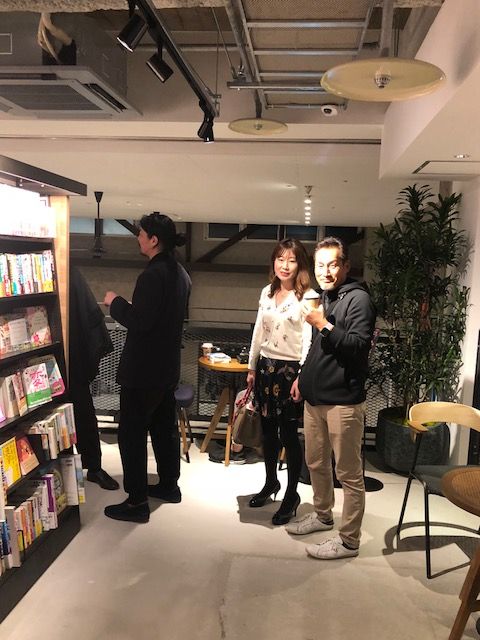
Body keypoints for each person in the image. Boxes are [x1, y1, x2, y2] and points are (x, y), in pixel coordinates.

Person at [287, 236, 376, 559]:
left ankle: (349, 540)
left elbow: (358, 347)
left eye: (333, 265)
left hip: (343, 402)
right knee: (315, 463)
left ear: (346, 266)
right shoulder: (325, 296)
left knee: (348, 473)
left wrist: (323, 324)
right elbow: (318, 346)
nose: (325, 271)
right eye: (320, 265)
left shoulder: (359, 300)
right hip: (315, 398)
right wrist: (302, 376)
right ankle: (323, 515)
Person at [102, 213, 191, 523]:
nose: (138, 238)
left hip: (142, 371)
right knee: (164, 429)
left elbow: (140, 322)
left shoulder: (152, 275)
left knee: (132, 434)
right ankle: (169, 485)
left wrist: (115, 302)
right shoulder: (181, 273)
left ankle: (137, 501)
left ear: (154, 240)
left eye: (141, 234)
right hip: (166, 369)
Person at [247, 238, 314, 525]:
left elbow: (309, 340)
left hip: (289, 372)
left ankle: (291, 494)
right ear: (273, 261)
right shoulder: (267, 291)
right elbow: (258, 332)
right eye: (280, 259)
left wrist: (302, 375)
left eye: (291, 260)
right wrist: (252, 367)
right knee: (267, 433)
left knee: (289, 435)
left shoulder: (308, 297)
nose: (285, 265)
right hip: (266, 368)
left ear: (300, 264)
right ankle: (270, 482)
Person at [69, 265, 118, 491]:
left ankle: (94, 467)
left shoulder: (68, 271)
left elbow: (88, 316)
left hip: (73, 355)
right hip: (61, 353)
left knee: (83, 412)